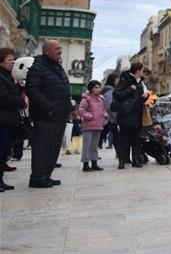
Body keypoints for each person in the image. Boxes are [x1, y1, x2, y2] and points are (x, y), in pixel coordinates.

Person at [26, 40, 73, 188]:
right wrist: (49, 107)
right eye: (56, 48)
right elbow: (32, 89)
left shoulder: (57, 66)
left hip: (60, 116)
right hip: (46, 116)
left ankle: (46, 175)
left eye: (60, 47)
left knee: (53, 148)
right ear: (46, 51)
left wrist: (68, 110)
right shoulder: (38, 67)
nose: (60, 50)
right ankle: (37, 177)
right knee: (42, 147)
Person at [113, 61, 149, 170]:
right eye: (143, 70)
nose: (144, 72)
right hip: (125, 115)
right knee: (124, 139)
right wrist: (130, 89)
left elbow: (138, 98)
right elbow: (116, 94)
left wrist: (145, 97)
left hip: (136, 115)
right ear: (137, 71)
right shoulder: (125, 80)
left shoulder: (140, 82)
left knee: (136, 139)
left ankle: (136, 161)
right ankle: (122, 161)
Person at [0, 47, 26, 191]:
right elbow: (3, 97)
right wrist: (19, 102)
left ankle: (1, 179)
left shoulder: (8, 75)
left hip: (9, 119)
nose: (13, 62)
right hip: (3, 119)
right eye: (10, 59)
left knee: (4, 151)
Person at [76, 80, 107, 172]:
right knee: (87, 146)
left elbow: (104, 110)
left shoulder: (101, 99)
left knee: (94, 146)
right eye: (95, 87)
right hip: (88, 126)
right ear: (91, 88)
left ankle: (94, 163)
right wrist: (90, 116)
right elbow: (81, 110)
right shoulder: (86, 98)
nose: (98, 89)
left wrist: (104, 116)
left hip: (98, 125)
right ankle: (85, 164)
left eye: (99, 87)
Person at [100, 73, 119, 153]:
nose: (118, 81)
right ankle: (119, 153)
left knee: (102, 136)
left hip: (105, 118)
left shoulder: (106, 90)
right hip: (109, 118)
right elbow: (110, 105)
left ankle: (93, 154)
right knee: (116, 136)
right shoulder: (110, 90)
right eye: (117, 79)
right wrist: (115, 116)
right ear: (113, 80)